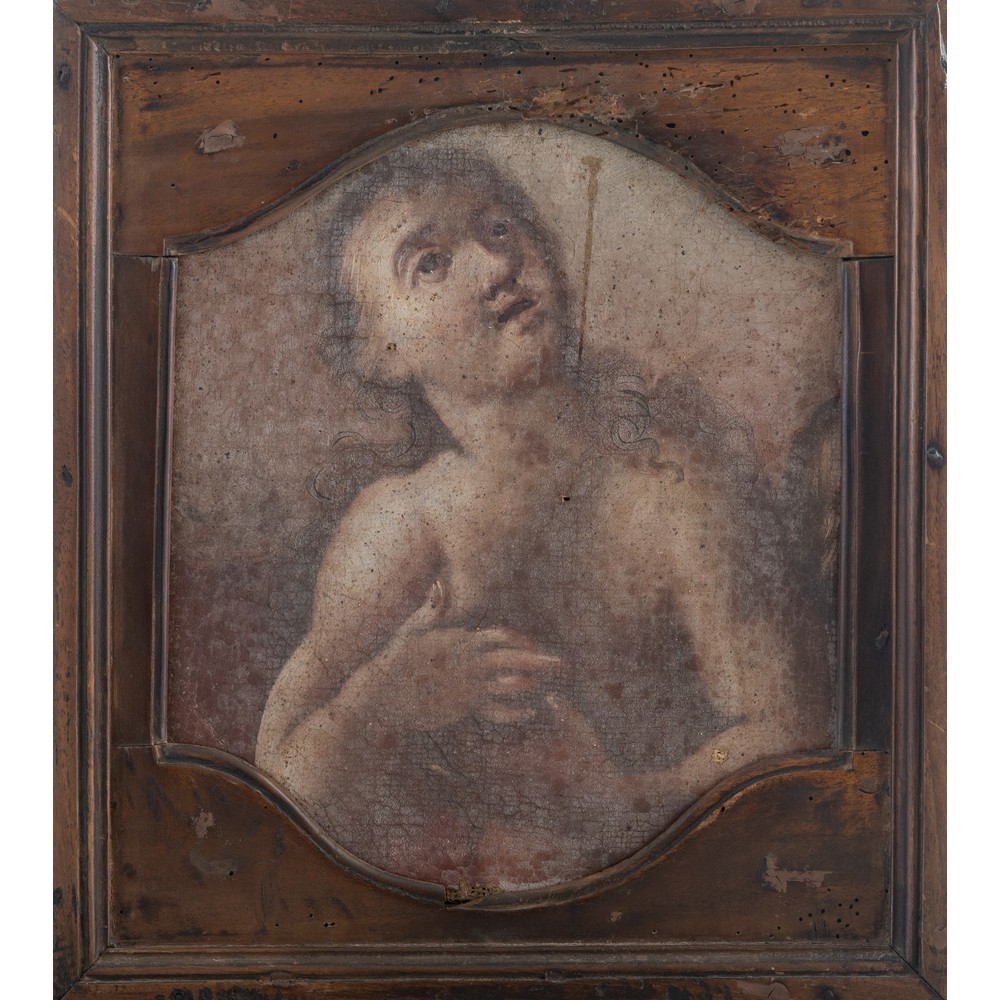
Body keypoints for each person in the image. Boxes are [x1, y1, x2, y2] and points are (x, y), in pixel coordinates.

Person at [255, 143, 828, 891]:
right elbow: (280, 777)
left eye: (498, 229)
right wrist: (382, 699)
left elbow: (791, 731)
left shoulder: (669, 489)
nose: (498, 265)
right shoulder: (404, 521)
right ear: (377, 349)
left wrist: (620, 802)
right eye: (430, 263)